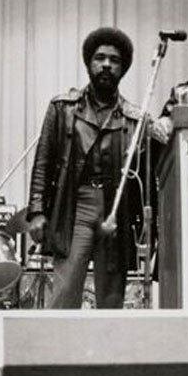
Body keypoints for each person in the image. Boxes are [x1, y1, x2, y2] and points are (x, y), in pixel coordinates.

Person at [27, 27, 148, 309]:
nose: (106, 64)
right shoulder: (62, 107)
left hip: (115, 210)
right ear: (89, 63)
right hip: (74, 205)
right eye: (100, 57)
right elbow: (43, 162)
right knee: (64, 292)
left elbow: (145, 177)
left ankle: (106, 354)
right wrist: (36, 211)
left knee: (111, 300)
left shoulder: (136, 119)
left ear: (123, 69)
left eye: (114, 60)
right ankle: (59, 354)